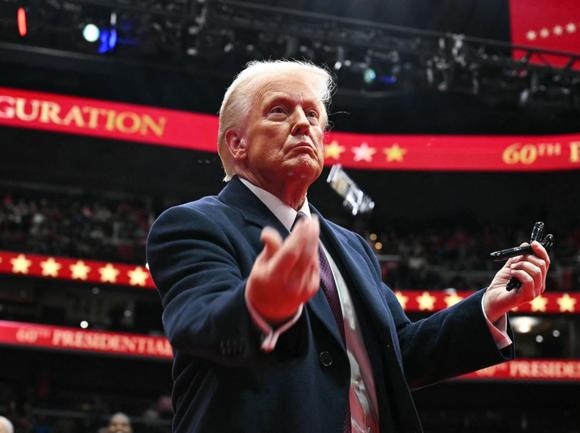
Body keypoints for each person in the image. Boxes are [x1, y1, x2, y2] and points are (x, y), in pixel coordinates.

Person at [146, 60, 550, 433]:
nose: (303, 124)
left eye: (313, 115)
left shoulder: (351, 246)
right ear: (237, 144)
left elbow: (398, 355)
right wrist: (259, 306)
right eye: (280, 111)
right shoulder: (194, 224)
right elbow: (199, 326)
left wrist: (488, 306)